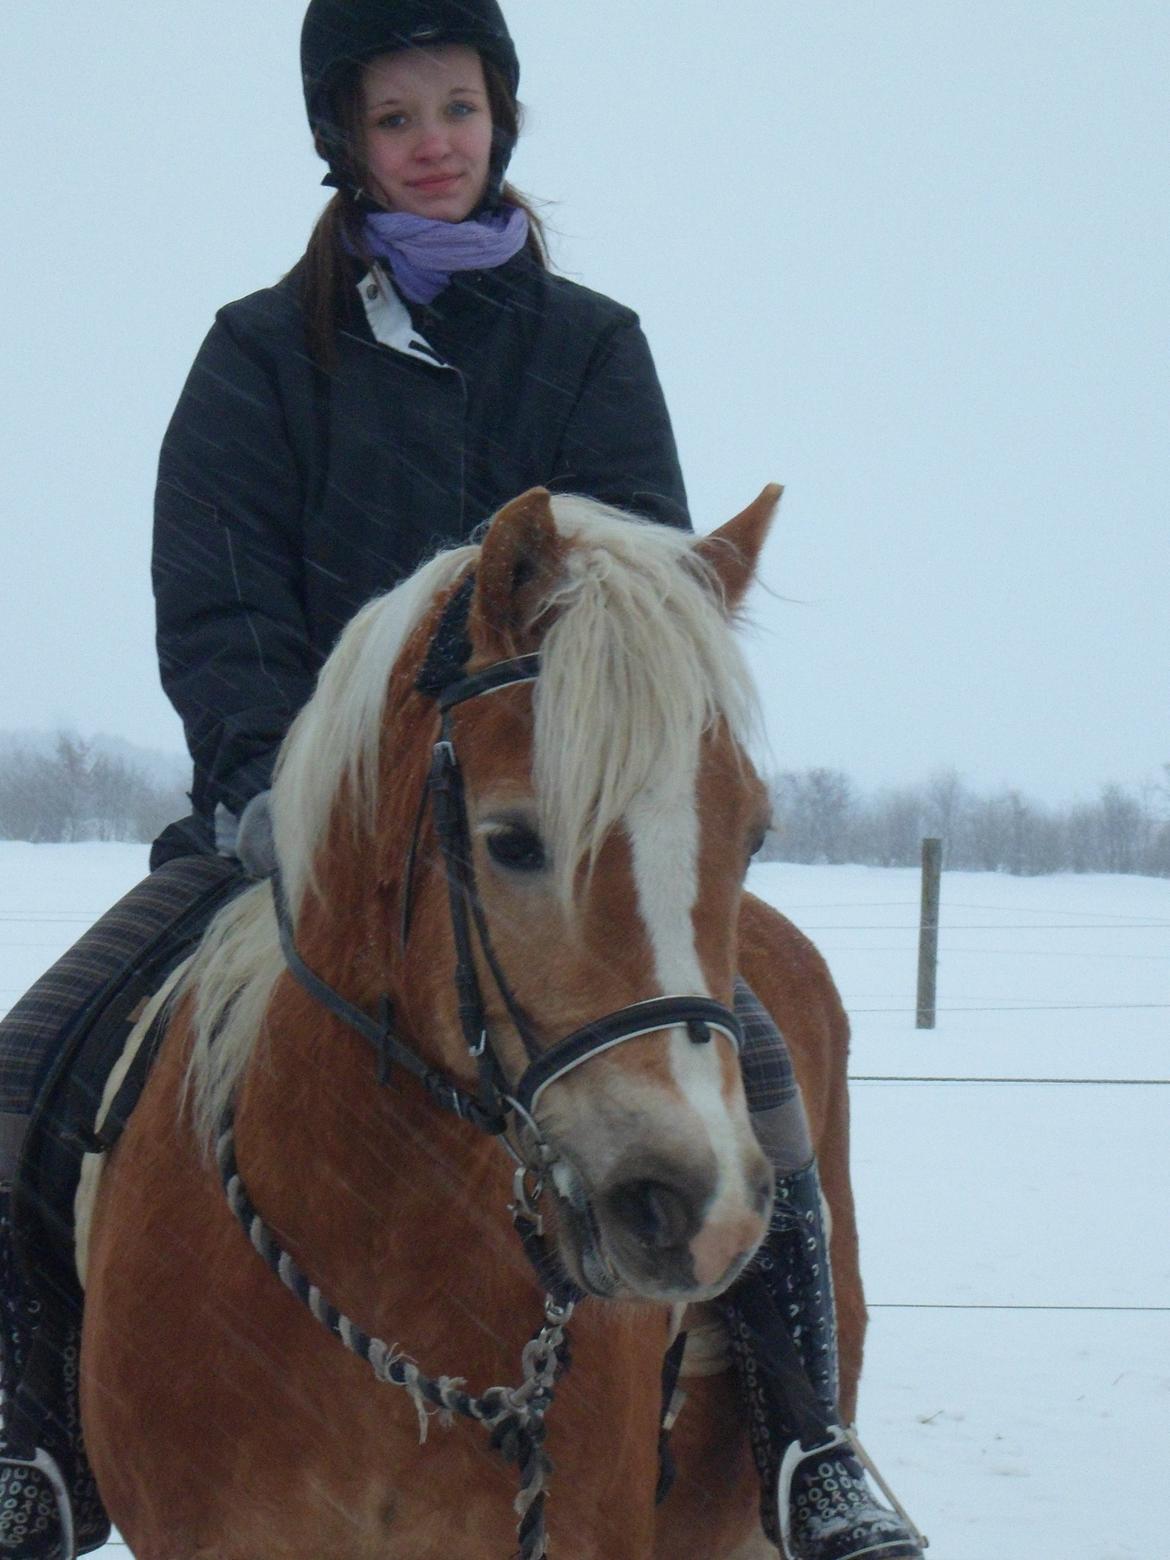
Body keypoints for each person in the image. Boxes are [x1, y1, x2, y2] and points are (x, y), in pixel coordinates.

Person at [5, 4, 925, 1557]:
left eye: (457, 106)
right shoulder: (258, 352)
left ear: (499, 117)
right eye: (394, 118)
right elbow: (216, 594)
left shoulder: (590, 348)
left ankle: (808, 1441)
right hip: (291, 827)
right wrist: (257, 783)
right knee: (33, 1065)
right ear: (343, 144)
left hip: (537, 820)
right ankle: (32, 1440)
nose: (433, 142)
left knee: (751, 1070)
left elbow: (636, 601)